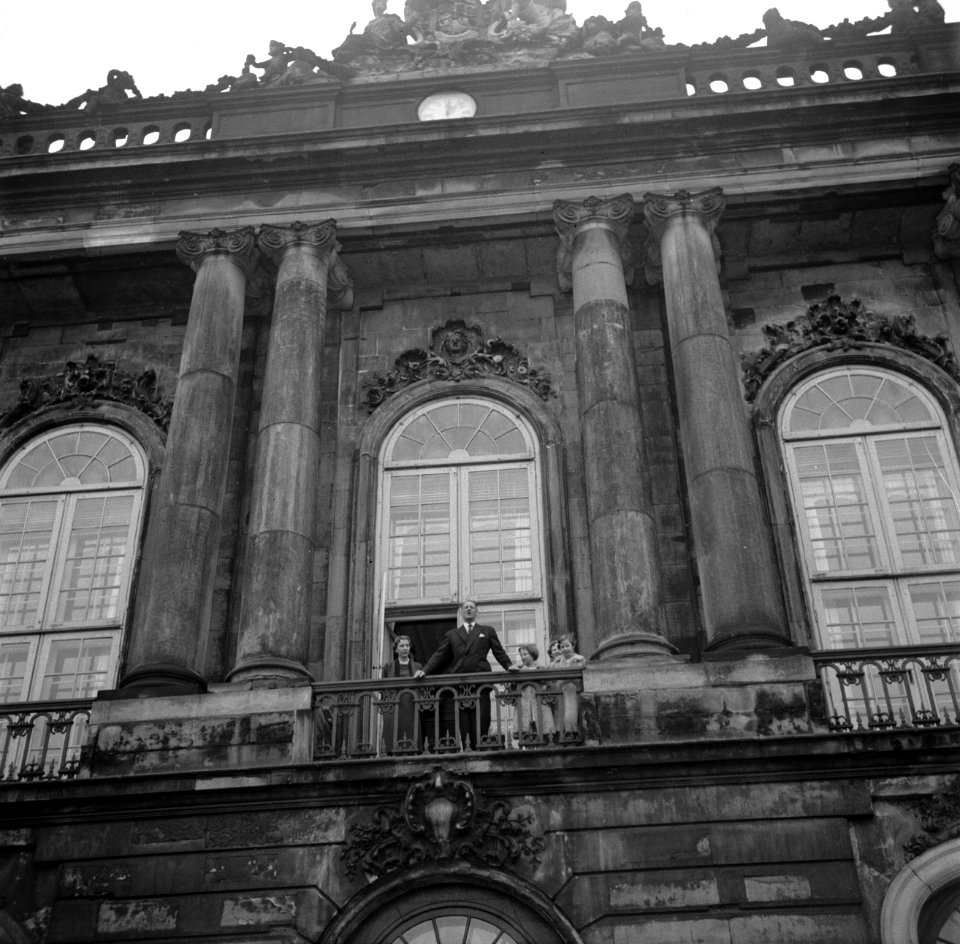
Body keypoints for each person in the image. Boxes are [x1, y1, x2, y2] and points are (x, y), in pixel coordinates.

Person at [415, 600, 518, 748]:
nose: (469, 609)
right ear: (462, 612)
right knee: (464, 719)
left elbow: (498, 652)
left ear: (476, 611)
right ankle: (468, 750)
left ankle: (481, 749)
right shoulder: (452, 634)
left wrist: (509, 666)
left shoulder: (487, 631)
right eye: (466, 607)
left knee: (482, 717)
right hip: (461, 682)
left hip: (481, 681)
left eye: (472, 607)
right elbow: (439, 655)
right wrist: (424, 671)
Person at [380, 634, 422, 753]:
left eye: (407, 646)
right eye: (402, 646)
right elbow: (382, 688)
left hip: (411, 705)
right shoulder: (388, 667)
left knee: (411, 734)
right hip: (394, 705)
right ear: (396, 649)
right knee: (392, 734)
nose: (405, 648)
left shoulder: (418, 666)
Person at [516, 643, 556, 743]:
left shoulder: (542, 669)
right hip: (525, 702)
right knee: (527, 727)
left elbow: (548, 684)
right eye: (521, 655)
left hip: (539, 701)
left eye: (525, 654)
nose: (522, 657)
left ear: (533, 655)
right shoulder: (519, 670)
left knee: (543, 726)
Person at [549, 634, 585, 738]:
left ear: (573, 645)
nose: (565, 649)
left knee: (572, 717)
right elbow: (551, 677)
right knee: (560, 718)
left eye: (567, 646)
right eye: (562, 647)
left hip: (574, 693)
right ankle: (563, 737)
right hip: (560, 694)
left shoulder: (580, 660)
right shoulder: (557, 662)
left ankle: (574, 736)